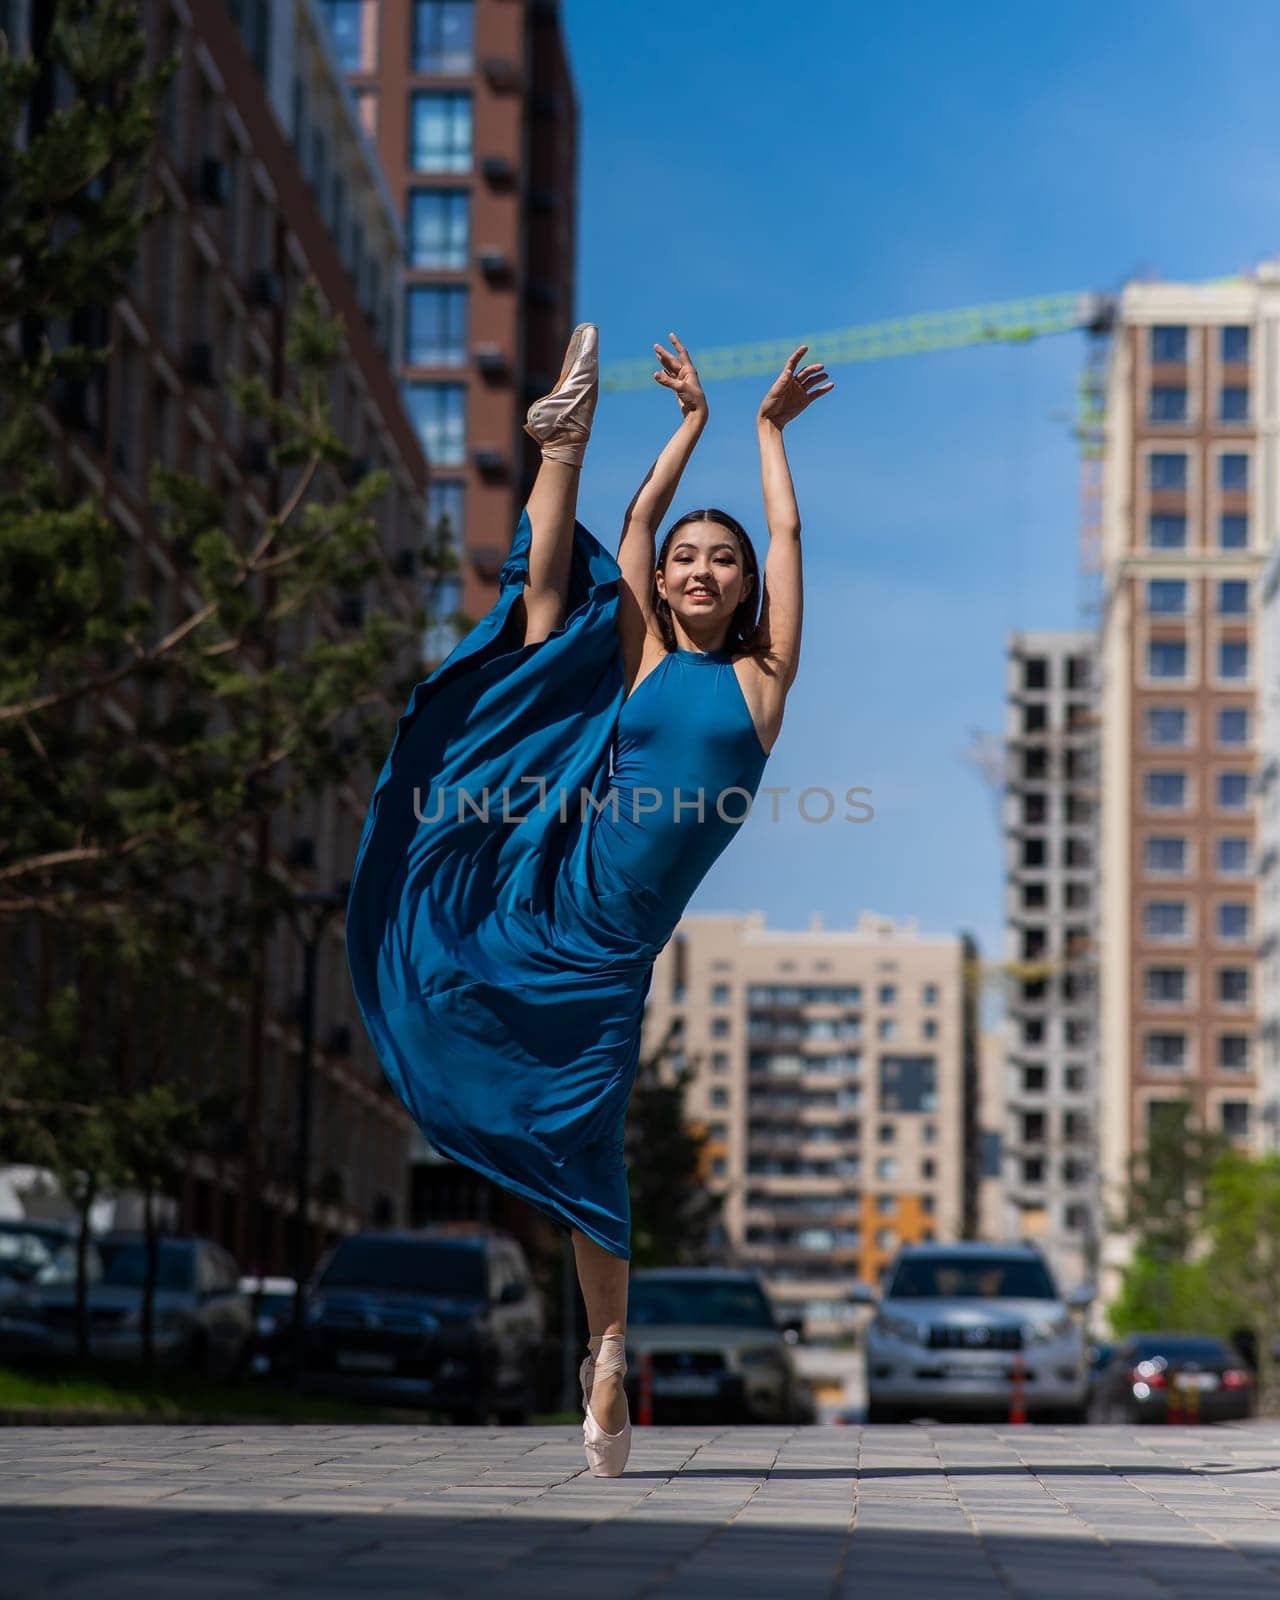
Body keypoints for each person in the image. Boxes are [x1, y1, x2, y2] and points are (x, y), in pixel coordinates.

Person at [345, 323, 833, 1476]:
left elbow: (791, 527)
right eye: (686, 558)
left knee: (586, 1142)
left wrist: (764, 435)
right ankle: (558, 445)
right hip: (542, 890)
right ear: (664, 581)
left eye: (725, 560)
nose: (703, 568)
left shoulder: (761, 686)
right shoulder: (647, 654)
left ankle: (606, 1352)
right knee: (543, 612)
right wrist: (685, 432)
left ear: (748, 586)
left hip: (611, 956)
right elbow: (629, 533)